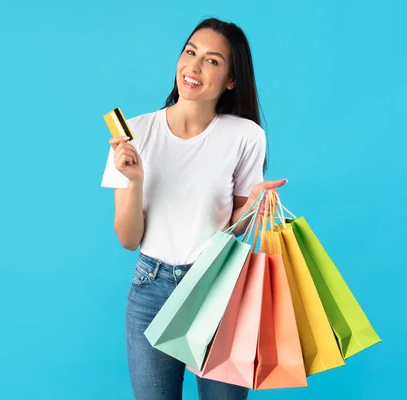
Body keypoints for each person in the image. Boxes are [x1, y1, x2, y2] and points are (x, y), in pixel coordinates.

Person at [101, 17, 286, 400]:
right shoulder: (133, 134)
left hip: (218, 287)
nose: (195, 67)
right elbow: (127, 238)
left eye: (213, 61)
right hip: (151, 291)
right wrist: (135, 180)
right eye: (190, 53)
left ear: (232, 80)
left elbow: (230, 229)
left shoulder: (246, 136)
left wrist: (251, 208)